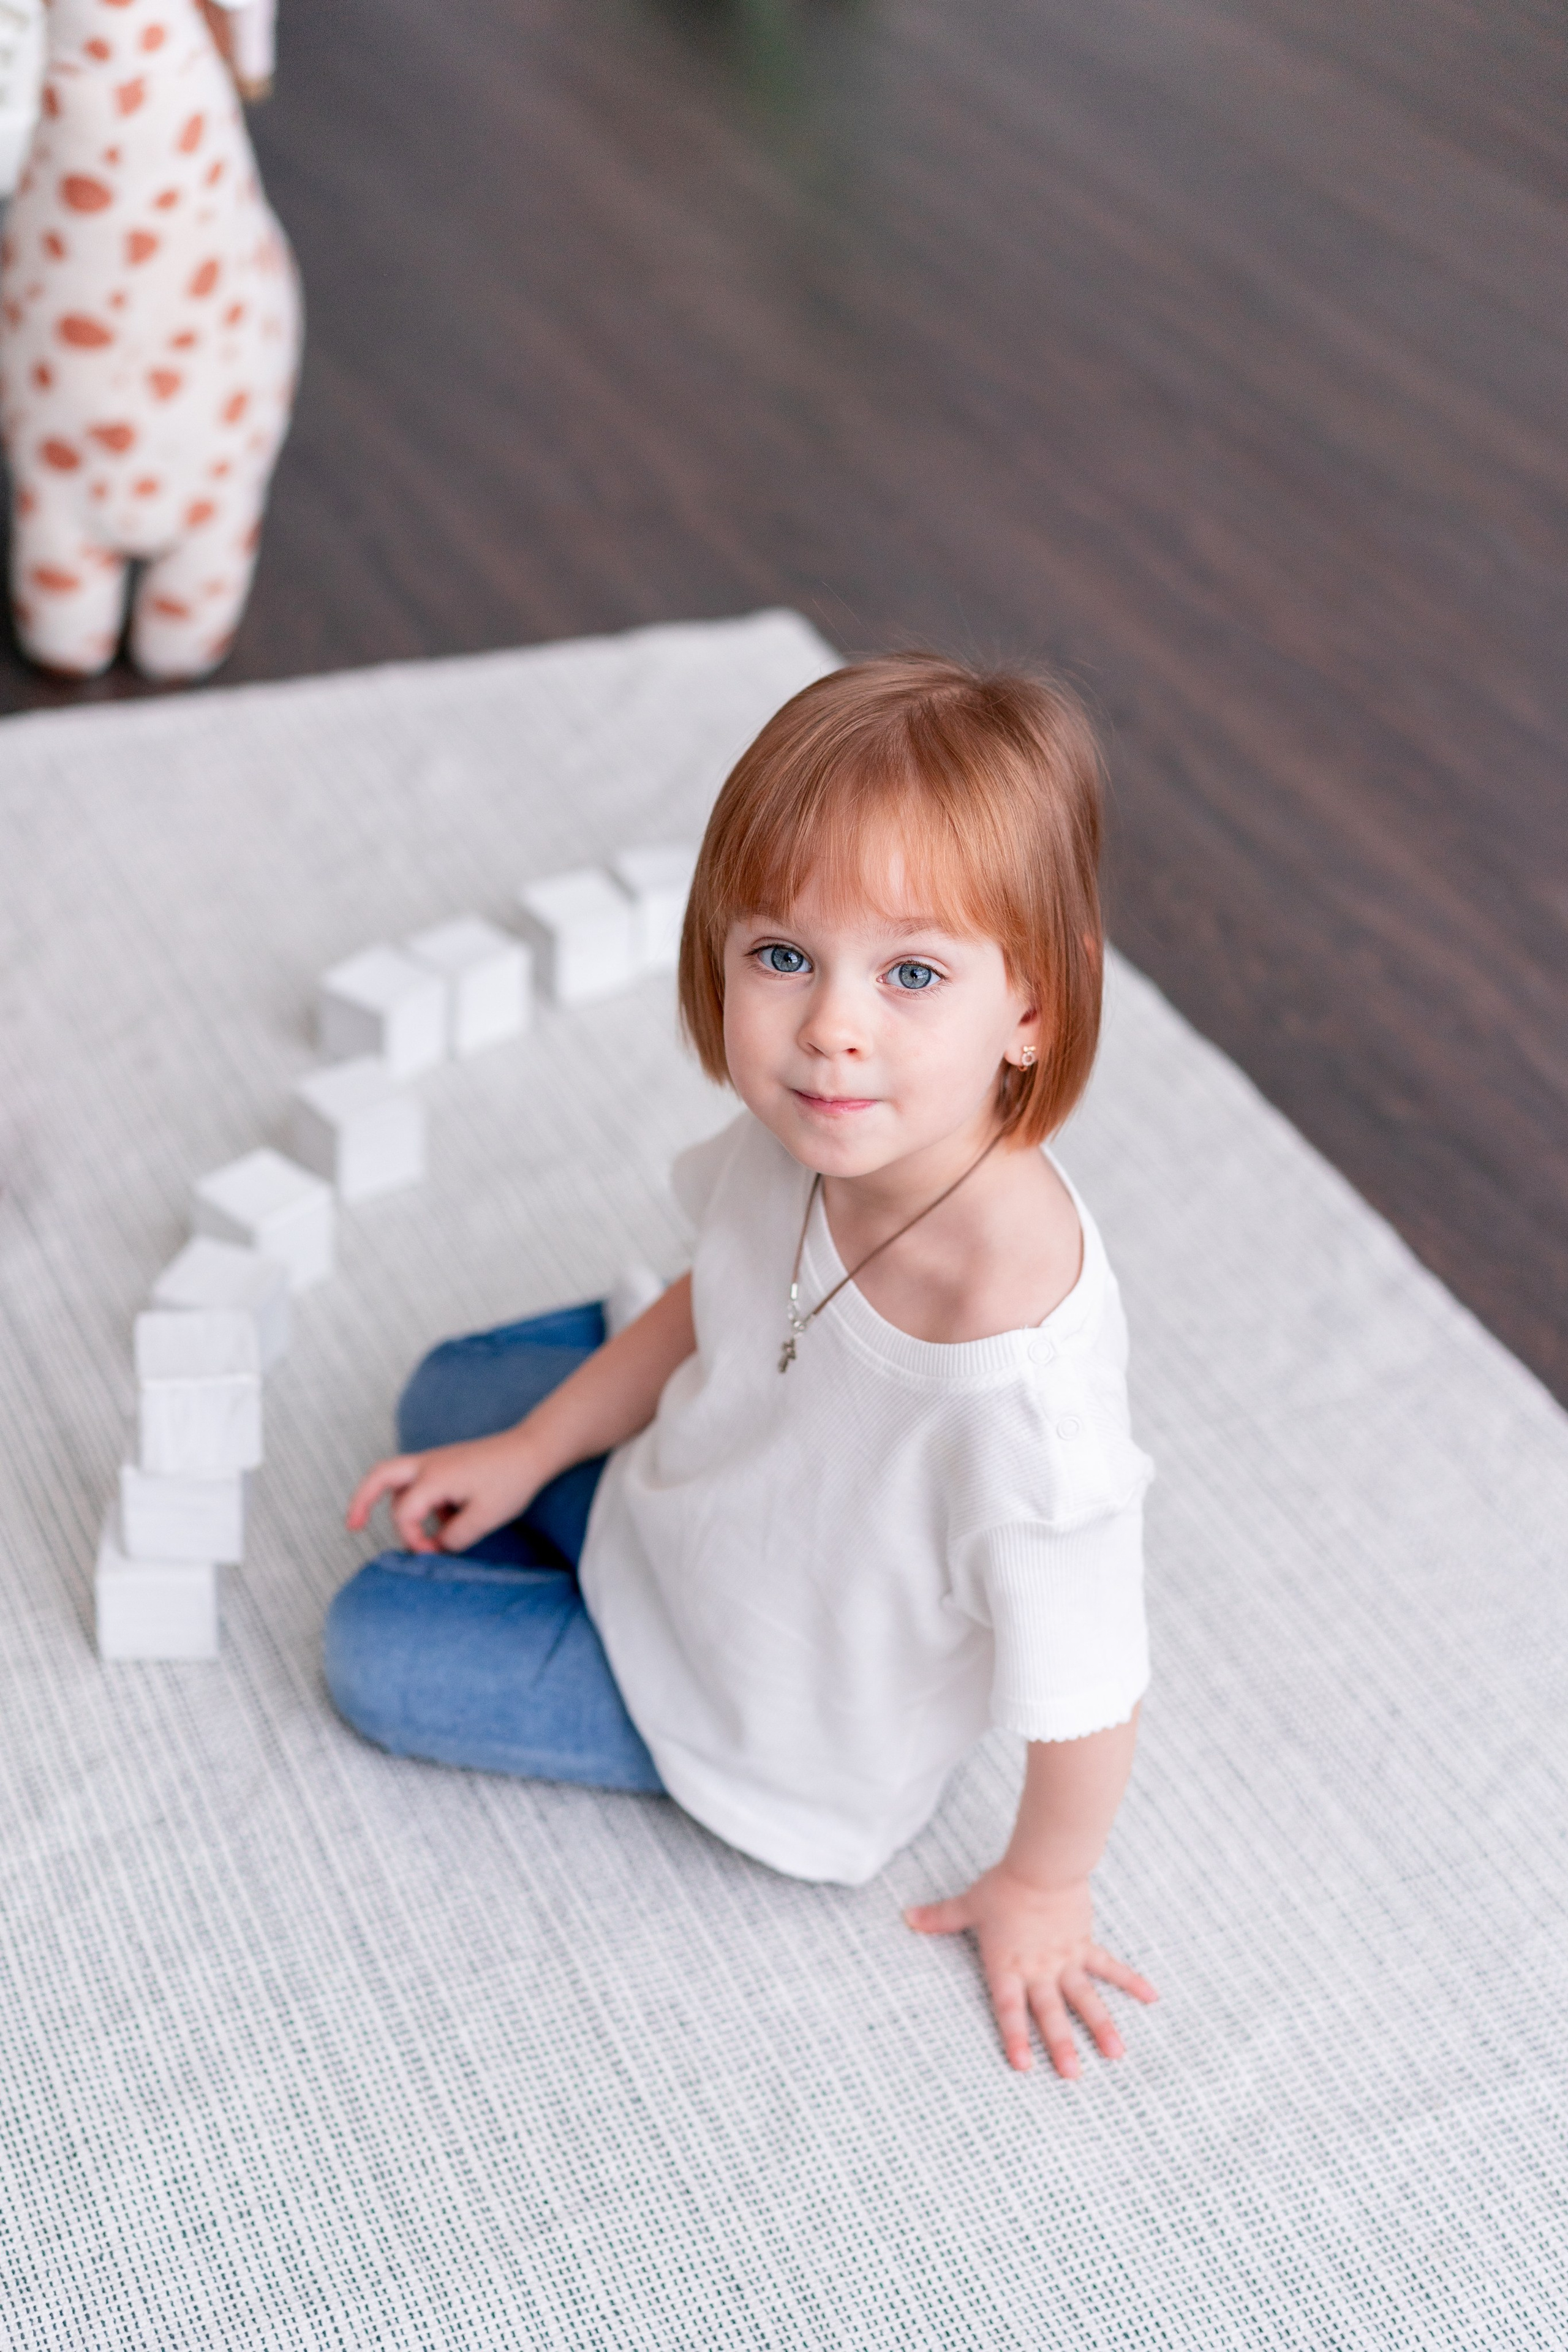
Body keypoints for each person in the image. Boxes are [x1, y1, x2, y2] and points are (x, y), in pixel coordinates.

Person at [330, 652, 1159, 2076]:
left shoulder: (1023, 1391)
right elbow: (711, 1297)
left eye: (911, 973)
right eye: (782, 955)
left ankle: (567, 1587)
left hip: (756, 1709)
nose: (831, 1027)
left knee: (369, 1646)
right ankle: (547, 1499)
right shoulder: (823, 1130)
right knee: (444, 1401)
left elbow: (1089, 1687)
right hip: (693, 1495)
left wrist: (1043, 1884)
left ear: (1032, 1006)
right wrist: (531, 1450)